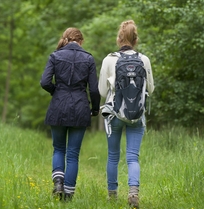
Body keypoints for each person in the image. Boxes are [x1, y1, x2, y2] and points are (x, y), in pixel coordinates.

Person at [98, 20, 154, 209]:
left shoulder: (108, 59)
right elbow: (151, 89)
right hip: (137, 115)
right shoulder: (144, 60)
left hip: (114, 114)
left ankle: (112, 196)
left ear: (119, 38)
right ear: (136, 39)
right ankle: (133, 194)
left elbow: (103, 92)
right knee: (132, 157)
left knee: (113, 156)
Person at [40, 27, 101, 201]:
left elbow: (44, 82)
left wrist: (55, 91)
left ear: (66, 39)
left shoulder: (55, 56)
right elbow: (94, 90)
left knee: (59, 148)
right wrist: (95, 109)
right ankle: (67, 196)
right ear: (80, 41)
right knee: (73, 153)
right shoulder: (88, 58)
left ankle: (58, 182)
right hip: (80, 108)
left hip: (58, 106)